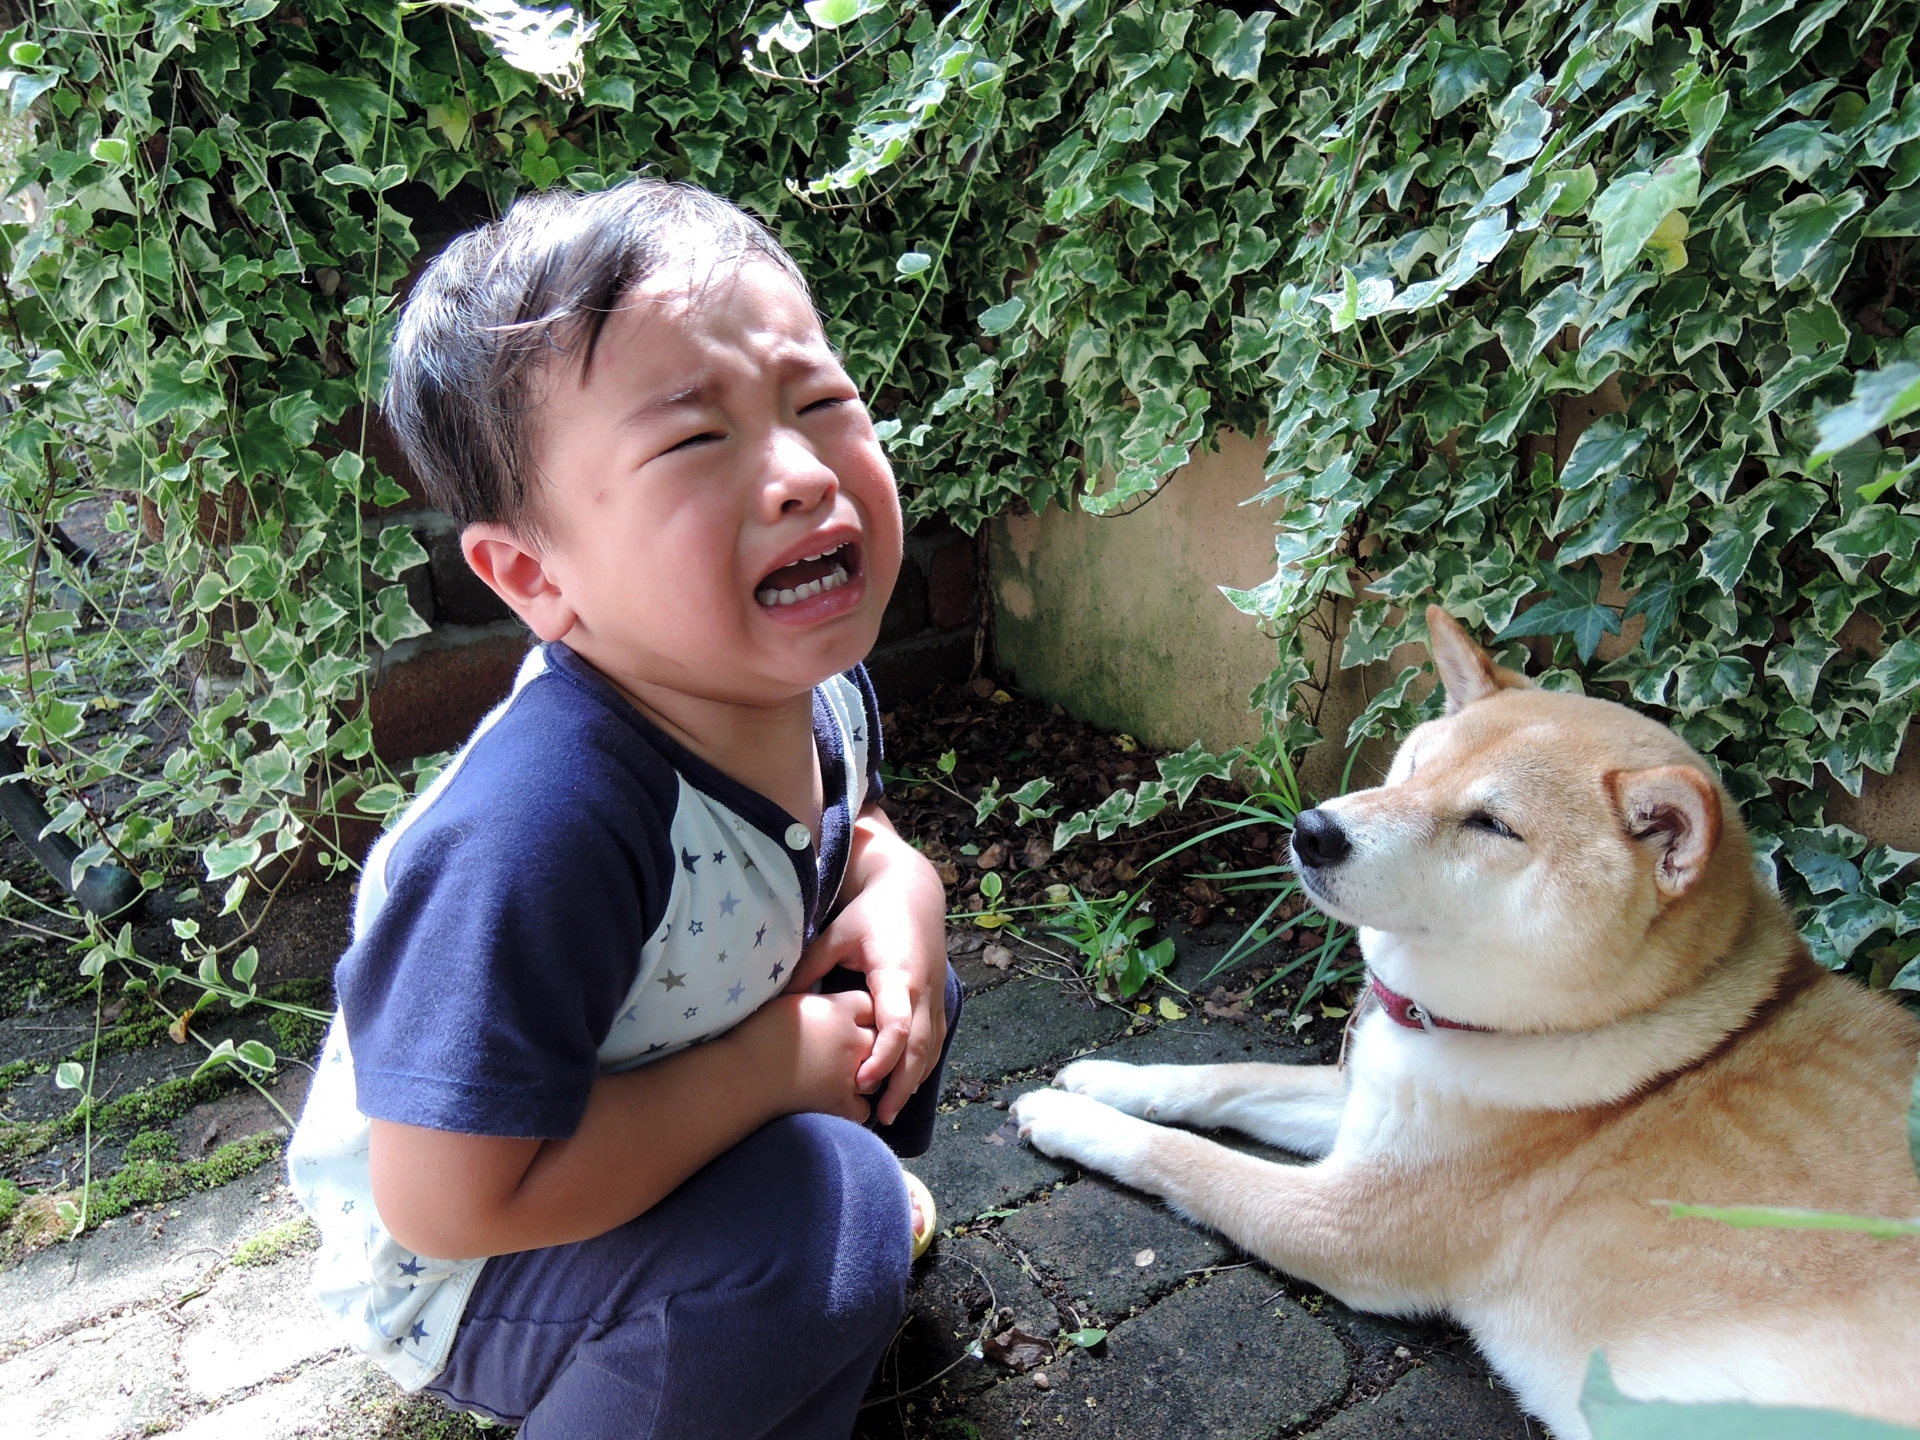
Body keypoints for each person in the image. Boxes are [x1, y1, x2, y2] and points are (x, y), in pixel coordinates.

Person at [286, 177, 959, 1440]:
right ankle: (703, 1313)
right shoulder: (542, 831)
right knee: (828, 1210)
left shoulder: (805, 680)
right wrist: (772, 1070)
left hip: (655, 1081)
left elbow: (843, 845)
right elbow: (442, 1201)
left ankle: (775, 1275)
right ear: (536, 575)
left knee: (899, 1004)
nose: (805, 473)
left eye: (820, 402)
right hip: (476, 1264)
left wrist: (904, 892)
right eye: (697, 441)